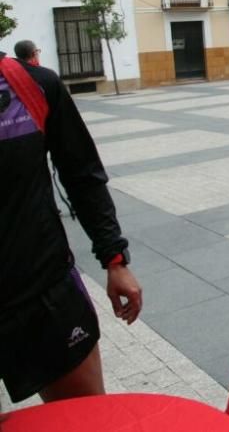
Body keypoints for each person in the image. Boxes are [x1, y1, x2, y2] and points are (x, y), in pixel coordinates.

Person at [0, 49, 142, 405]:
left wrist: (115, 260)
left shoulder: (33, 86)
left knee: (86, 417)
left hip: (44, 291)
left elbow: (82, 176)